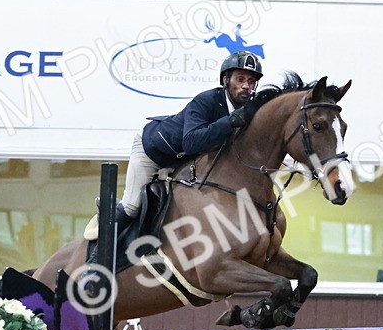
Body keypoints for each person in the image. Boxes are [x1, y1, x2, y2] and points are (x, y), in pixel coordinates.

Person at [84, 50, 264, 240]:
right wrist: (229, 122)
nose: (246, 86)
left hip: (183, 163)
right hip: (153, 151)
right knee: (132, 205)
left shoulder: (248, 110)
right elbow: (191, 142)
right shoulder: (206, 101)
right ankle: (97, 258)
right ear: (226, 80)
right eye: (240, 79)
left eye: (251, 81)